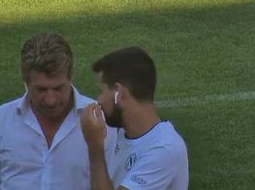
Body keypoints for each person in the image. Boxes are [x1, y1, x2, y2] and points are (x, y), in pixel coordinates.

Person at [0, 32, 106, 190]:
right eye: (41, 89)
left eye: (58, 88)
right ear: (26, 82)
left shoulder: (99, 119)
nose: (50, 100)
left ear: (71, 76)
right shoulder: (1, 119)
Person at [80, 47, 188, 190]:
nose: (98, 100)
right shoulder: (119, 134)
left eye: (101, 91)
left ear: (119, 94)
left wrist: (95, 148)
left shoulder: (164, 149)